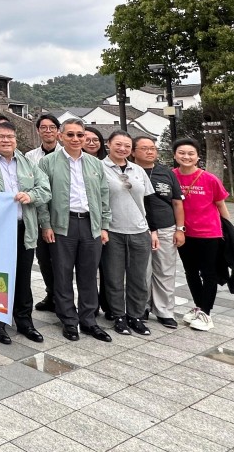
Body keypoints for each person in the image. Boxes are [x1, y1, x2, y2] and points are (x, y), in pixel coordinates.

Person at [0, 120, 50, 344]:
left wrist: (30, 196)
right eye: (1, 137)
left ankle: (24, 321)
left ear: (16, 139)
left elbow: (45, 189)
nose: (6, 140)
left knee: (23, 277)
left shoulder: (28, 164)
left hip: (23, 227)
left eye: (10, 137)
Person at [38, 119, 112, 343]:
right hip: (63, 224)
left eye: (80, 135)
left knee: (89, 275)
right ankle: (69, 320)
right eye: (70, 135)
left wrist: (104, 226)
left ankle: (89, 320)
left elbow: (104, 196)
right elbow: (42, 198)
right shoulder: (48, 163)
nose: (76, 139)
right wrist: (46, 225)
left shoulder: (95, 164)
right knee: (62, 274)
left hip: (91, 224)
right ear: (61, 136)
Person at [100, 131, 156, 337]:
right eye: (118, 144)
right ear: (108, 144)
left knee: (139, 278)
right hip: (113, 231)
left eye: (126, 146)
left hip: (140, 231)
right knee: (114, 278)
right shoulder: (99, 168)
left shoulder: (138, 170)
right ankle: (118, 316)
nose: (122, 149)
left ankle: (136, 316)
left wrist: (153, 230)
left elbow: (149, 202)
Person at [172, 137, 231, 332]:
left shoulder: (209, 179)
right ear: (175, 155)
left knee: (208, 273)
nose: (186, 156)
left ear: (198, 157)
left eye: (191, 153)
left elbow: (221, 205)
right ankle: (199, 307)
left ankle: (206, 312)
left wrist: (230, 232)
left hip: (209, 233)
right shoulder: (171, 176)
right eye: (182, 153)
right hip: (183, 233)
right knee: (191, 272)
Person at [131, 135, 184, 329]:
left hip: (166, 228)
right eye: (144, 148)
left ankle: (164, 311)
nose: (150, 151)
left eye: (153, 148)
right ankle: (141, 307)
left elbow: (177, 202)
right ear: (133, 152)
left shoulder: (166, 173)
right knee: (140, 272)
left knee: (165, 271)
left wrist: (180, 229)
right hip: (137, 228)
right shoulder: (129, 171)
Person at [25, 113, 61, 313]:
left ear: (58, 131)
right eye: (44, 128)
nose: (48, 131)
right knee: (44, 259)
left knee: (62, 260)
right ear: (38, 131)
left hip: (62, 215)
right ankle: (51, 294)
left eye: (52, 127)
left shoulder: (67, 154)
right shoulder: (30, 157)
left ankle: (63, 297)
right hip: (39, 215)